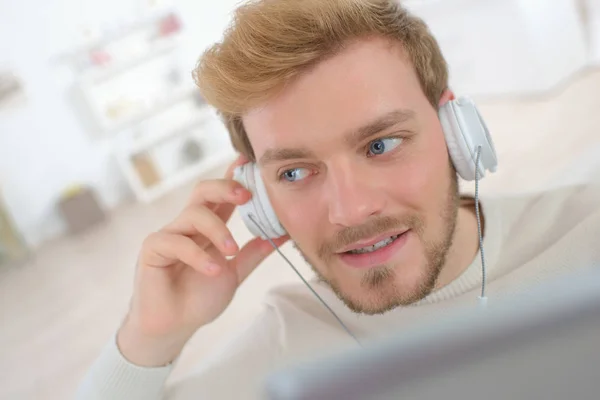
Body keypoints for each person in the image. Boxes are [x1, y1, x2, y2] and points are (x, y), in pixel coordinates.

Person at [75, 0, 600, 399]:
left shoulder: (587, 234)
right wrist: (149, 339)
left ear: (456, 132)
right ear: (258, 195)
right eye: (296, 171)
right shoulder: (284, 349)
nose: (350, 211)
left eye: (381, 145)